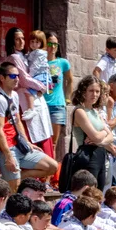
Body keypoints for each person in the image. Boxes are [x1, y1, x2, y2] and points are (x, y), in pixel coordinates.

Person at [0, 61, 58, 190]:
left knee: (52, 166)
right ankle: (12, 179)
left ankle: (16, 177)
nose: (17, 79)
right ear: (2, 78)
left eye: (18, 76)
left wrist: (27, 142)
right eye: (12, 76)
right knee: (14, 190)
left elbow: (18, 121)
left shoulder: (14, 95)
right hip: (8, 148)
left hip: (19, 145)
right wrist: (8, 155)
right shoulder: (0, 99)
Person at [4, 28, 54, 158]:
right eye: (17, 39)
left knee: (42, 131)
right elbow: (24, 79)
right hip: (25, 98)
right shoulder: (14, 57)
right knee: (33, 133)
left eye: (23, 38)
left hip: (35, 97)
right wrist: (42, 86)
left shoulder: (26, 55)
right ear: (11, 41)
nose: (21, 42)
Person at [69, 76, 116, 190]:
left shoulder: (95, 111)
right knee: (89, 192)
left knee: (99, 193)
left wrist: (100, 141)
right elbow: (96, 136)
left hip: (100, 154)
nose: (94, 94)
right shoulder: (79, 111)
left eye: (97, 91)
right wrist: (102, 134)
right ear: (83, 92)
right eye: (91, 91)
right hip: (88, 156)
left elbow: (111, 137)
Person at [45, 32, 73, 164]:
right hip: (41, 105)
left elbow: (70, 80)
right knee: (41, 141)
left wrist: (67, 98)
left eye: (55, 44)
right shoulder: (38, 62)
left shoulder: (62, 62)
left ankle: (50, 174)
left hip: (57, 106)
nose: (52, 47)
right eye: (50, 43)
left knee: (53, 143)